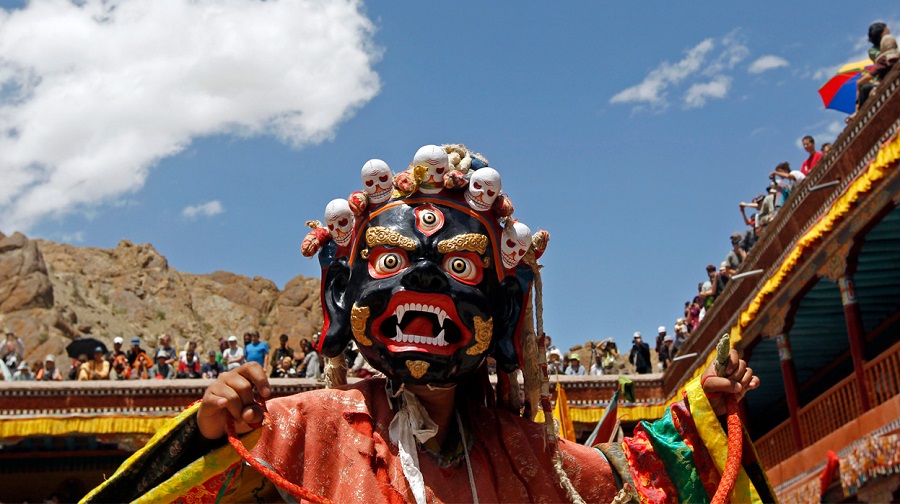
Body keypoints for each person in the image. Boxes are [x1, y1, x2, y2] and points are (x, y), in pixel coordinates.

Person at [85, 144, 770, 504]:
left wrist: (703, 416)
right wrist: (211, 433)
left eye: (461, 267)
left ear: (504, 312)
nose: (421, 282)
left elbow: (632, 482)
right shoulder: (305, 430)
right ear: (343, 297)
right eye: (390, 260)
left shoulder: (526, 457)